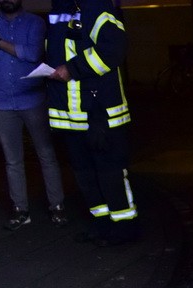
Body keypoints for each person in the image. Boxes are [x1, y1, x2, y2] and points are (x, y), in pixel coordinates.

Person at [46, 0, 138, 246]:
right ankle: (102, 225)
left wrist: (73, 69)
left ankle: (124, 228)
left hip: (100, 114)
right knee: (85, 176)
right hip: (70, 117)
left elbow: (114, 49)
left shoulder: (96, 7)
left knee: (110, 174)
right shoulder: (58, 11)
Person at [0, 0, 67, 231]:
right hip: (2, 103)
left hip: (33, 100)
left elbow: (31, 53)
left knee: (46, 155)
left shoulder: (34, 22)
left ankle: (57, 206)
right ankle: (21, 210)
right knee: (12, 161)